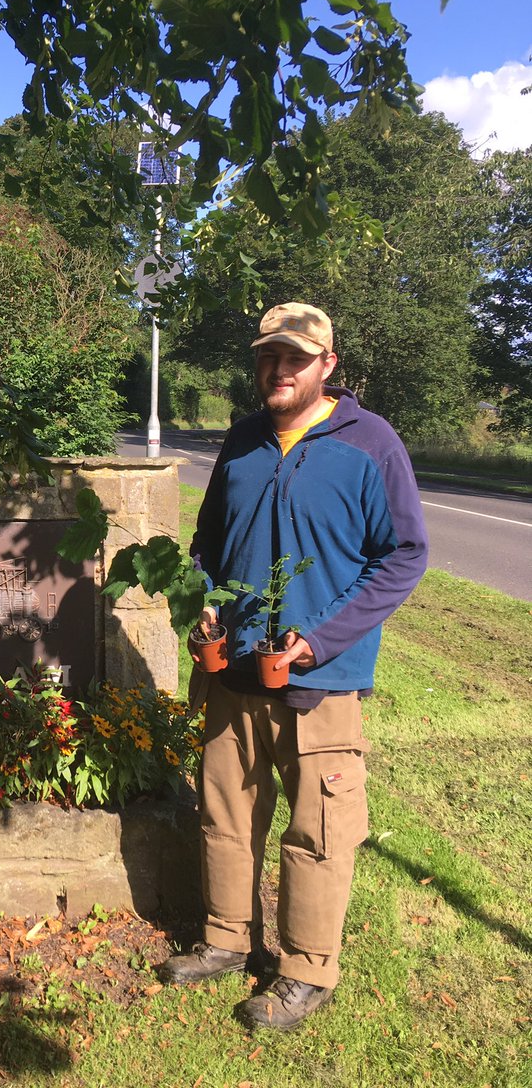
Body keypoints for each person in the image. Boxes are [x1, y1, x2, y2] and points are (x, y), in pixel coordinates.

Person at [159, 302, 428, 1031]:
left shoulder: (370, 445)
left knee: (318, 830)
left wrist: (324, 636)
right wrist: (206, 604)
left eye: (296, 358)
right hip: (232, 673)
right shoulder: (244, 441)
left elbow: (404, 554)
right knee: (224, 815)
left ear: (327, 365)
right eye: (268, 358)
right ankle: (224, 938)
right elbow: (208, 543)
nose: (278, 370)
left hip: (319, 684)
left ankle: (306, 971)